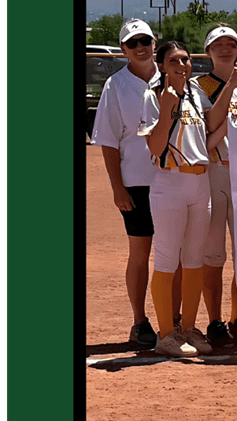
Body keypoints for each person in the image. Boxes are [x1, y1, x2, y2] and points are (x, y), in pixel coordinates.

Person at [140, 41, 237, 357]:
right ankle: (166, 333)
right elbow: (156, 148)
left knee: (194, 261)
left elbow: (210, 130)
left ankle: (188, 327)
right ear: (161, 65)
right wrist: (168, 110)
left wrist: (231, 90)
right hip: (170, 181)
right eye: (173, 60)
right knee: (168, 258)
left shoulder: (196, 93)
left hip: (200, 182)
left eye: (185, 59)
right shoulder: (154, 95)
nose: (182, 65)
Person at [90, 19, 178, 348]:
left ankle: (175, 319)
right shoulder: (116, 85)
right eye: (131, 43)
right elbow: (110, 141)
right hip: (137, 182)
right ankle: (140, 321)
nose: (140, 47)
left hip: (174, 178)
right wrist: (117, 187)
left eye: (144, 40)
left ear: (155, 42)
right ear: (124, 50)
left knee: (176, 254)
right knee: (140, 254)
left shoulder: (172, 77)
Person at [194, 25, 237, 347]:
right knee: (213, 253)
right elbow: (204, 135)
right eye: (218, 44)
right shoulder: (197, 86)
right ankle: (215, 319)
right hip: (216, 172)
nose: (226, 49)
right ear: (208, 51)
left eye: (231, 43)